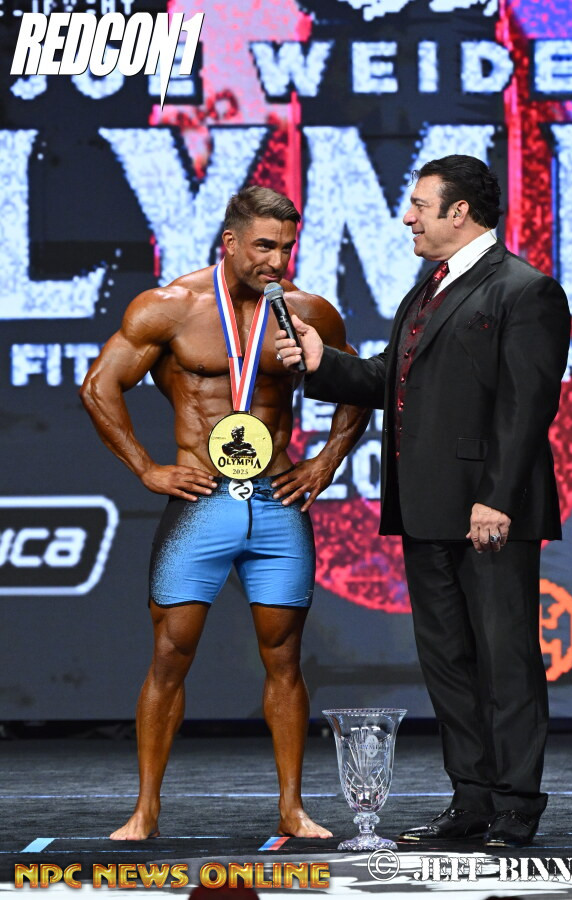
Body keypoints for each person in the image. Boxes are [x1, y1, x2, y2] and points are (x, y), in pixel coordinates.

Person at [275, 155, 571, 848]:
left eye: (419, 205)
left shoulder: (525, 290)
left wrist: (496, 499)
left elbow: (527, 407)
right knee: (447, 662)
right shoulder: (428, 289)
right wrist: (323, 363)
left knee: (504, 659)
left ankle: (516, 805)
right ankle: (470, 800)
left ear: (458, 212)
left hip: (489, 512)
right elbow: (394, 379)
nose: (407, 217)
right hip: (426, 507)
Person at [80, 185, 370, 841]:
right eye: (265, 246)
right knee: (170, 654)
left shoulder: (305, 311)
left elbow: (358, 386)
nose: (277, 260)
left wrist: (325, 463)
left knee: (285, 659)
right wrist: (147, 468)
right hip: (201, 503)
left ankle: (292, 808)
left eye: (287, 248)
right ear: (231, 242)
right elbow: (100, 386)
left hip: (276, 503)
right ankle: (145, 810)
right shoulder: (171, 307)